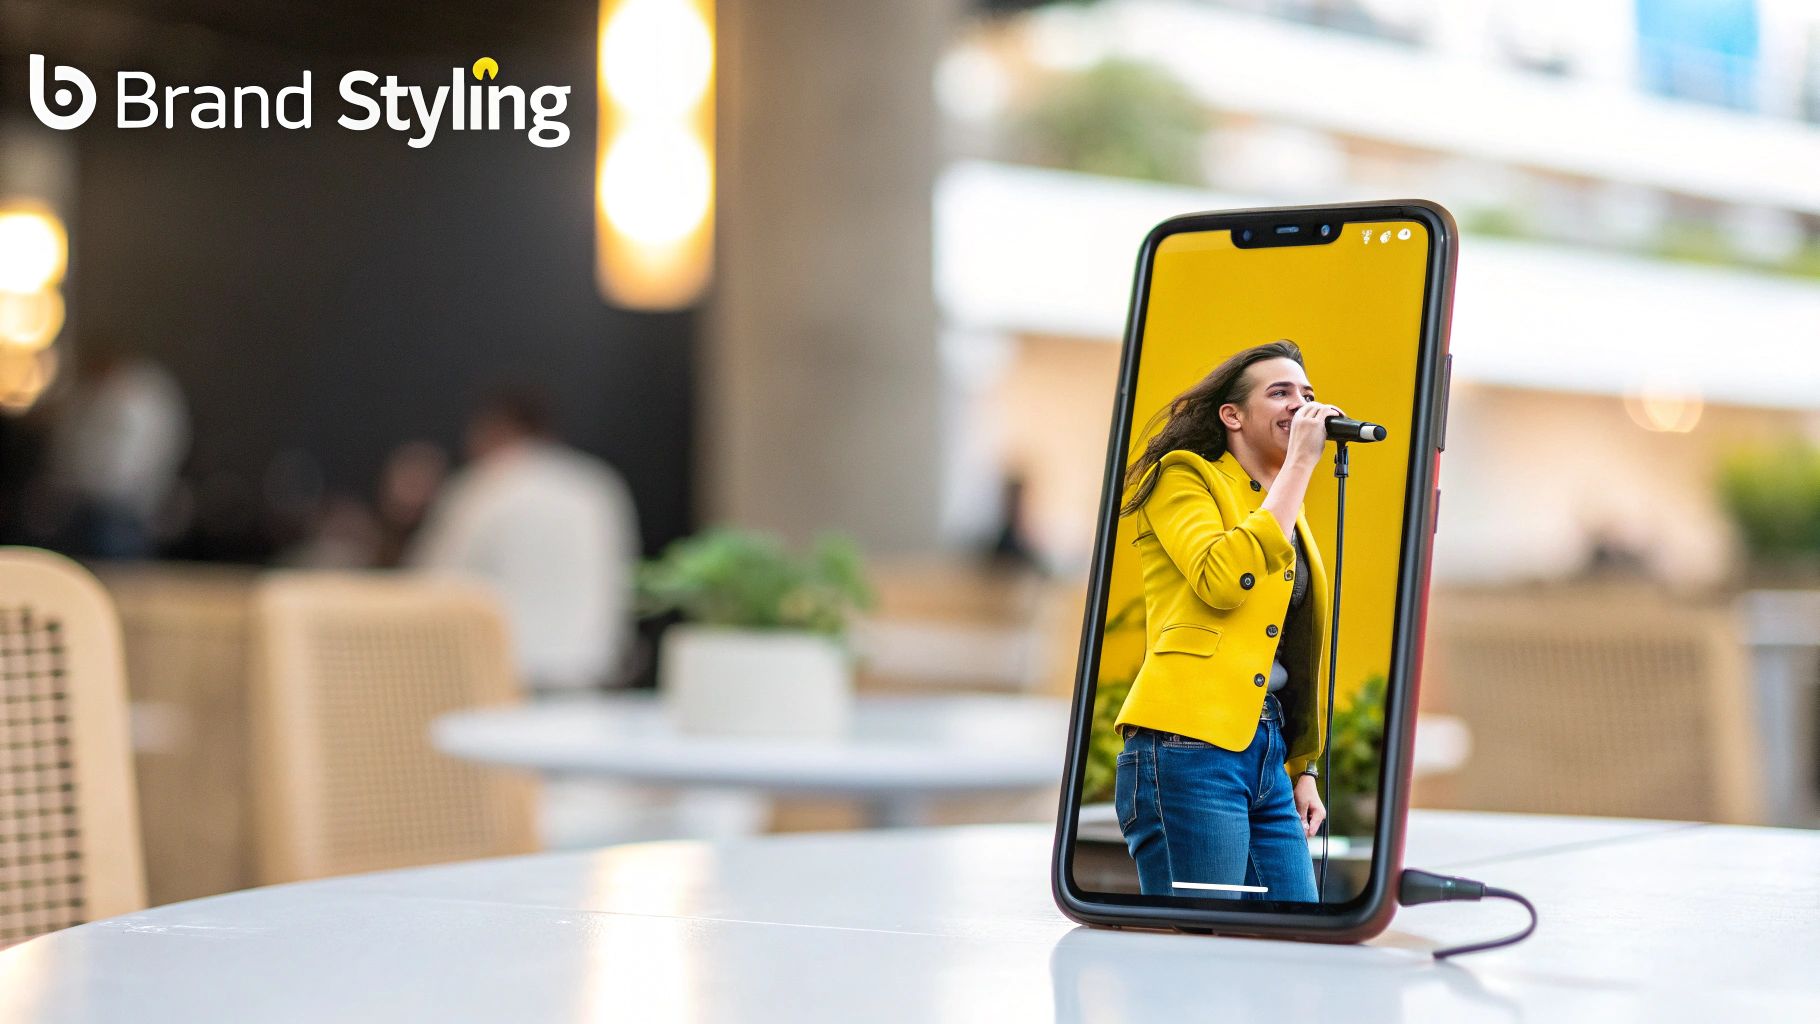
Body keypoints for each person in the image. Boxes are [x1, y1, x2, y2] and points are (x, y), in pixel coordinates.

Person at [1112, 340, 1339, 902]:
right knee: (1201, 948)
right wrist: (1301, 465)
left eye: (1307, 394)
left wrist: (1303, 766)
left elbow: (1290, 648)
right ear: (1232, 416)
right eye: (1280, 392)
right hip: (1187, 745)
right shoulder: (1183, 477)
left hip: (1264, 748)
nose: (1300, 404)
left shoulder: (1284, 506)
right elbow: (1221, 579)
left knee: (1296, 939)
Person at [409, 392, 640, 692]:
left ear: (492, 429)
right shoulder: (597, 485)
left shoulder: (482, 487)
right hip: (589, 677)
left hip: (501, 679)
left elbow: (432, 584)